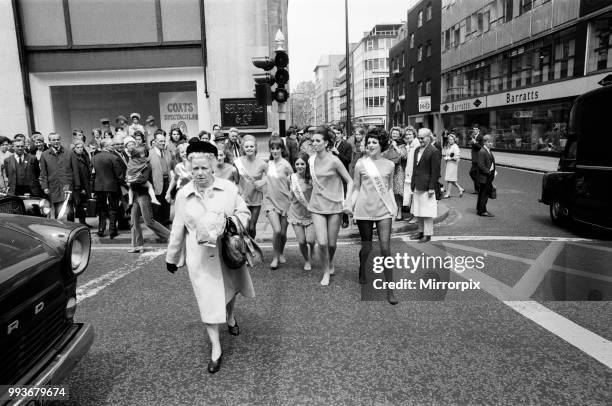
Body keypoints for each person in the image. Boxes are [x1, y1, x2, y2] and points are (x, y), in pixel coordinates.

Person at [166, 141, 255, 374]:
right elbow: (178, 228)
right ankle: (216, 348)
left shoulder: (228, 188)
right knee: (207, 299)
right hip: (200, 258)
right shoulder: (184, 194)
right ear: (189, 168)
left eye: (204, 168)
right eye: (195, 169)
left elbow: (244, 213)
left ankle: (230, 315)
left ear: (213, 166)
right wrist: (172, 257)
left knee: (231, 288)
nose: (200, 173)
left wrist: (230, 222)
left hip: (227, 252)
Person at [349, 127, 398, 304]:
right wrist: (350, 205)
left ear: (381, 144)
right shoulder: (361, 164)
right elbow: (355, 187)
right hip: (364, 210)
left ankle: (390, 289)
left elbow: (390, 188)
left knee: (385, 248)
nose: (370, 145)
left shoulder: (390, 165)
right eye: (368, 142)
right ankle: (362, 267)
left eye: (374, 142)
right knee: (367, 247)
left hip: (383, 210)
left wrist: (394, 207)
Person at [308, 125, 354, 286]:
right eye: (312, 140)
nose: (314, 143)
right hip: (317, 205)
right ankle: (326, 271)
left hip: (334, 205)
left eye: (317, 141)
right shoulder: (311, 160)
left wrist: (348, 201)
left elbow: (350, 181)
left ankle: (330, 260)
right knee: (322, 242)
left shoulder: (335, 160)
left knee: (332, 243)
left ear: (326, 143)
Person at [128, 145, 170, 252]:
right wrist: (131, 181)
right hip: (136, 194)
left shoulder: (146, 165)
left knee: (148, 221)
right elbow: (131, 178)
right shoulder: (132, 164)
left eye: (144, 154)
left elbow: (143, 179)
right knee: (134, 221)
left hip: (143, 195)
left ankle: (171, 236)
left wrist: (130, 181)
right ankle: (137, 245)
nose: (143, 155)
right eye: (141, 154)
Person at [264, 137, 293, 269]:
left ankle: (281, 252)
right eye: (272, 148)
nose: (275, 151)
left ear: (282, 149)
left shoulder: (286, 165)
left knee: (283, 233)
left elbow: (293, 183)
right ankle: (275, 257)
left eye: (277, 148)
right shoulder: (268, 164)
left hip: (285, 202)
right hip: (270, 201)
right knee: (276, 230)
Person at [409, 128, 441, 243]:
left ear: (429, 137)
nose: (420, 140)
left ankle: (427, 235)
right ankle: (420, 232)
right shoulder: (417, 150)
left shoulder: (434, 151)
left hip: (428, 186)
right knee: (418, 211)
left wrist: (432, 187)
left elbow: (435, 171)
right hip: (417, 184)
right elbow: (414, 168)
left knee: (427, 212)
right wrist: (412, 184)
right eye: (419, 137)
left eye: (422, 138)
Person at [233, 134, 267, 238]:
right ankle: (246, 248)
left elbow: (271, 176)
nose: (249, 148)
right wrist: (238, 191)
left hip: (256, 199)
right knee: (244, 227)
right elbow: (236, 180)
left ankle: (252, 246)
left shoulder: (262, 163)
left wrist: (263, 181)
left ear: (255, 147)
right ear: (243, 148)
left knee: (252, 227)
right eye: (247, 147)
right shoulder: (238, 162)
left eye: (251, 146)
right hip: (243, 198)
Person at [92, 138, 124, 239]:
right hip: (112, 187)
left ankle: (101, 230)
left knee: (101, 210)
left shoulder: (94, 158)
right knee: (113, 209)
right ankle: (112, 231)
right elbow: (119, 175)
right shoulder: (113, 158)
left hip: (98, 187)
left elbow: (92, 174)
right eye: (112, 145)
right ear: (105, 146)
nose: (113, 147)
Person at [288, 153, 316, 271]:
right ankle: (307, 260)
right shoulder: (291, 178)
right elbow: (289, 195)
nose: (300, 166)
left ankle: (313, 247)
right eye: (297, 164)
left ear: (307, 164)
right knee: (301, 241)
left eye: (302, 164)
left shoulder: (312, 178)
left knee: (310, 240)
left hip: (310, 213)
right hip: (296, 213)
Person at [39, 132, 74, 220]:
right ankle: (60, 229)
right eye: (53, 140)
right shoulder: (45, 155)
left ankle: (71, 228)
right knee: (58, 210)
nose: (56, 141)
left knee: (70, 210)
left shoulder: (68, 152)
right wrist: (45, 187)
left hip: (67, 185)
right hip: (54, 186)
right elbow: (43, 173)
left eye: (58, 139)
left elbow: (74, 169)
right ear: (49, 141)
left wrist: (75, 184)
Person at [149, 132, 175, 227]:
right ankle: (157, 222)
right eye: (160, 141)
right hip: (155, 182)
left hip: (167, 181)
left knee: (166, 201)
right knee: (157, 202)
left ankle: (166, 219)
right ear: (155, 142)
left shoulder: (168, 153)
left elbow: (171, 167)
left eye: (164, 141)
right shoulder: (150, 153)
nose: (163, 143)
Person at [383, 126, 407, 221]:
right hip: (389, 170)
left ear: (400, 135)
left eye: (397, 133)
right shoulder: (388, 144)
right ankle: (393, 211)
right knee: (390, 191)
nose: (395, 135)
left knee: (398, 192)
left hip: (398, 170)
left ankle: (399, 212)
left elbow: (404, 156)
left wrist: (396, 146)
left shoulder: (402, 145)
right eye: (393, 133)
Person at [330, 127, 352, 228]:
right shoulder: (329, 145)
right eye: (335, 133)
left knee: (343, 197)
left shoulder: (346, 145)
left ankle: (345, 219)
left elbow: (348, 160)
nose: (336, 135)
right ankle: (335, 219)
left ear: (341, 134)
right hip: (332, 175)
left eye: (338, 133)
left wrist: (338, 153)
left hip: (343, 175)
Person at [70, 139, 92, 227]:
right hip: (77, 184)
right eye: (78, 147)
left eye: (81, 147)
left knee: (83, 203)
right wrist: (79, 186)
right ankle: (80, 222)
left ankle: (83, 221)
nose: (80, 149)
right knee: (78, 204)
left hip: (85, 183)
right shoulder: (73, 157)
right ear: (74, 148)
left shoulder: (85, 156)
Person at [402, 126, 420, 222]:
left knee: (414, 195)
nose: (408, 136)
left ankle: (416, 216)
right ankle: (413, 215)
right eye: (406, 134)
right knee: (411, 195)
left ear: (414, 134)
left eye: (410, 134)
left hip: (414, 173)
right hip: (409, 173)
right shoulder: (410, 144)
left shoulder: (416, 143)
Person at [476, 134, 496, 217]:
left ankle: (479, 209)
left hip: (488, 176)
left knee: (482, 194)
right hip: (485, 177)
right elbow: (480, 165)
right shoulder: (482, 151)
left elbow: (490, 162)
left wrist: (494, 171)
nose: (491, 144)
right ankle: (482, 211)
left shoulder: (488, 150)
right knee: (484, 194)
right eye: (489, 142)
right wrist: (489, 172)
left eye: (491, 142)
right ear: (484, 142)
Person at [443, 134, 464, 198]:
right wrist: (447, 158)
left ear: (454, 140)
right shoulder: (449, 146)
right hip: (449, 164)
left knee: (449, 179)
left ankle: (448, 193)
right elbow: (448, 154)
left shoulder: (455, 147)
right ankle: (460, 189)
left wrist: (449, 158)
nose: (450, 140)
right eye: (449, 139)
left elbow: (457, 157)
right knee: (450, 179)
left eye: (451, 139)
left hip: (453, 164)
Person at [468, 127, 482, 194]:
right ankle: (477, 190)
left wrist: (475, 142)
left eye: (476, 129)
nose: (474, 130)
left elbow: (481, 148)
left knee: (472, 173)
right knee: (476, 174)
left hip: (478, 159)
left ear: (478, 130)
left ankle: (480, 186)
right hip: (474, 158)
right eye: (473, 129)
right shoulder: (473, 136)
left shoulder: (481, 137)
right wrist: (472, 142)